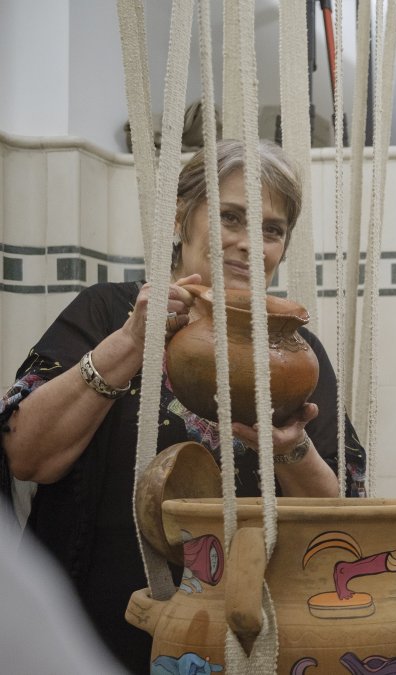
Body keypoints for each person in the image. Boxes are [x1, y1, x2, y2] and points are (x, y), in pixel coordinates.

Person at [0, 139, 366, 672]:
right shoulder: (109, 314)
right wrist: (129, 343)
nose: (249, 243)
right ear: (181, 218)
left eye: (272, 229)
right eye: (231, 217)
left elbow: (341, 521)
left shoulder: (292, 357)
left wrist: (292, 450)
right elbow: (26, 456)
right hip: (96, 637)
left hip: (248, 641)